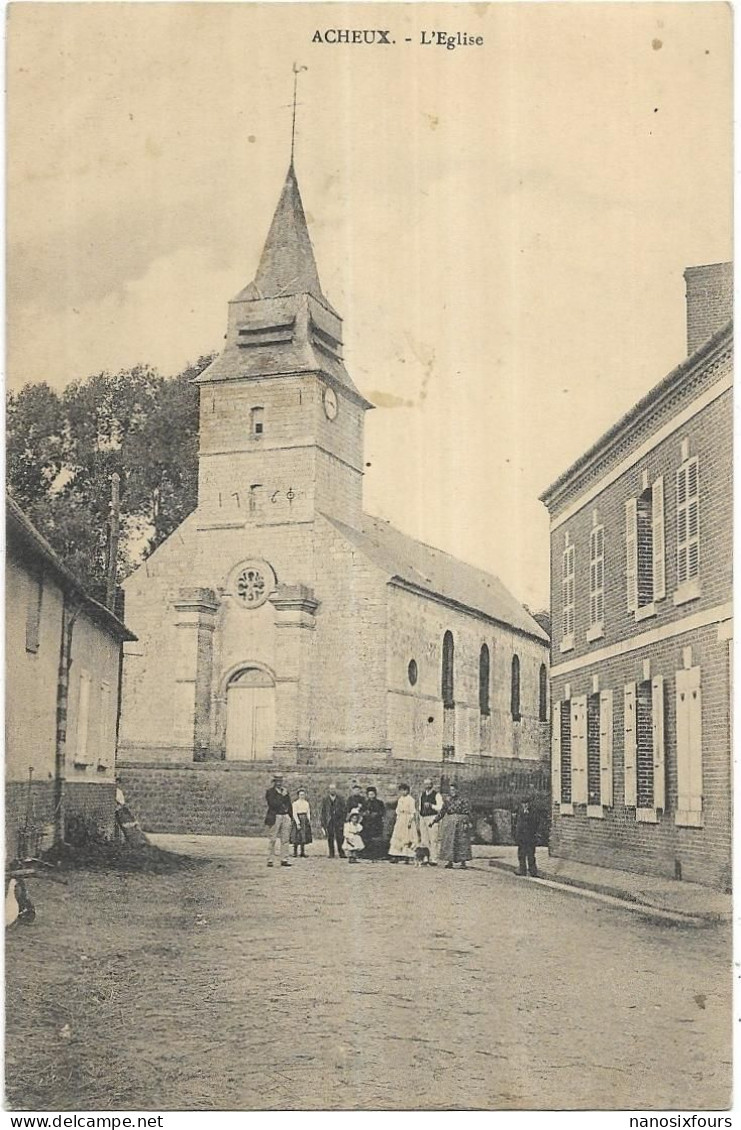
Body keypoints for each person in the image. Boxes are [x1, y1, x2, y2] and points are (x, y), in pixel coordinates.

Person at [432, 784, 472, 869]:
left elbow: (467, 812)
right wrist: (435, 820)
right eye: (451, 790)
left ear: (457, 790)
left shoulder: (463, 800)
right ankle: (449, 861)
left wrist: (466, 823)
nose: (452, 792)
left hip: (461, 822)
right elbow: (442, 811)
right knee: (449, 842)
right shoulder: (448, 800)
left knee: (461, 842)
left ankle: (463, 862)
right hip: (450, 823)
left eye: (454, 790)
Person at [265, 774, 293, 867]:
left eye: (280, 781)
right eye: (277, 781)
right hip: (275, 816)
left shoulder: (285, 792)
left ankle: (284, 859)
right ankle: (270, 859)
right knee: (273, 839)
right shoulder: (270, 792)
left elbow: (289, 805)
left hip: (285, 816)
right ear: (274, 782)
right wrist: (282, 796)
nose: (279, 783)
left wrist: (290, 816)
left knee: (285, 839)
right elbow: (273, 804)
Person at [388, 783, 418, 863]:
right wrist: (398, 819)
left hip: (407, 818)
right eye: (401, 791)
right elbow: (397, 810)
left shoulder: (411, 799)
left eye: (404, 790)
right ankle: (396, 855)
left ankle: (407, 856)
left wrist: (410, 821)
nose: (403, 792)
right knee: (397, 836)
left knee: (407, 836)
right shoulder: (400, 799)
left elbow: (413, 811)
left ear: (407, 791)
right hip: (401, 819)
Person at [418, 778, 443, 866]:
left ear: (432, 785)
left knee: (433, 838)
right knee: (424, 839)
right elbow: (419, 807)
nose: (427, 786)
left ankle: (434, 858)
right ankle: (425, 857)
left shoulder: (437, 795)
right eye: (425, 784)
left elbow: (440, 807)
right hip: (423, 817)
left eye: (429, 784)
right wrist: (420, 816)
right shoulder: (422, 795)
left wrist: (431, 806)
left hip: (432, 817)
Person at [514, 797, 539, 877]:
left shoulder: (533, 813)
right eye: (524, 804)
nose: (525, 805)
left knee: (531, 855)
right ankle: (522, 870)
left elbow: (536, 823)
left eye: (527, 804)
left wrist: (535, 834)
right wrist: (517, 836)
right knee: (521, 855)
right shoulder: (520, 812)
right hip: (521, 838)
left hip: (530, 838)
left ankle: (533, 871)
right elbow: (518, 825)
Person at [360, 786, 386, 860]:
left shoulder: (379, 802)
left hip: (376, 823)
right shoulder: (365, 803)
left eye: (373, 794)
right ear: (367, 795)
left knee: (375, 839)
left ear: (375, 794)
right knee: (367, 838)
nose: (371, 796)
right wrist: (365, 813)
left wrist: (376, 814)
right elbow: (362, 812)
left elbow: (382, 812)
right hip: (367, 823)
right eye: (370, 794)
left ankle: (376, 854)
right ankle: (367, 854)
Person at [320, 784, 346, 858]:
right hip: (329, 820)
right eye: (331, 789)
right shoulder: (325, 799)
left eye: (334, 789)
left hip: (338, 820)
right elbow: (323, 811)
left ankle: (341, 852)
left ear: (336, 790)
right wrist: (323, 822)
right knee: (330, 837)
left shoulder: (340, 799)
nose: (332, 790)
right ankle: (331, 853)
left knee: (340, 837)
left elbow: (344, 810)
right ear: (329, 790)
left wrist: (342, 820)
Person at [289, 788, 313, 858]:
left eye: (303, 794)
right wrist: (297, 823)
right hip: (298, 819)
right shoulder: (295, 803)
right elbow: (294, 813)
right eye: (301, 795)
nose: (302, 796)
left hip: (304, 820)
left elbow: (308, 812)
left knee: (303, 836)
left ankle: (302, 852)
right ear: (298, 795)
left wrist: (308, 820)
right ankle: (295, 852)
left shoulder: (306, 803)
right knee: (296, 836)